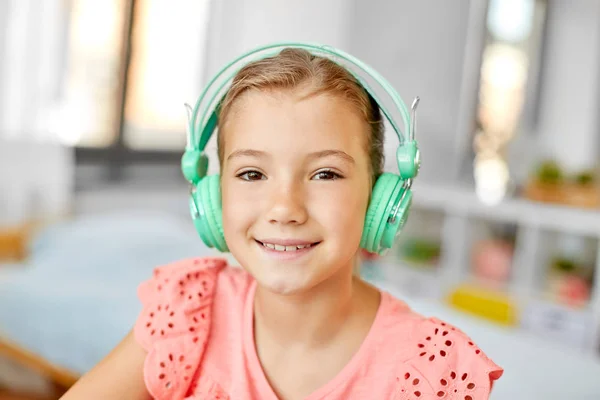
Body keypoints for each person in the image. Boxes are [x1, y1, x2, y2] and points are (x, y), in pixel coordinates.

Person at [61, 43, 503, 400]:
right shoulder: (186, 311)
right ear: (212, 197)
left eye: (325, 174)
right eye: (252, 173)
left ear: (379, 199)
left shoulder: (431, 372)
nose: (285, 208)